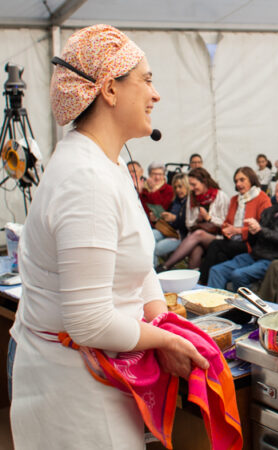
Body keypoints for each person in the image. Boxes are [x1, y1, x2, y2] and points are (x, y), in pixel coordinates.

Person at [10, 24, 209, 448]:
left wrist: (160, 320)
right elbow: (88, 321)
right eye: (147, 80)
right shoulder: (87, 181)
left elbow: (138, 268)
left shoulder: (107, 164)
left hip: (97, 374)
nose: (156, 95)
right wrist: (167, 338)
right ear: (110, 91)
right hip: (73, 397)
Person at [208, 179, 278, 291]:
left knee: (238, 275)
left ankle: (245, 307)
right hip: (255, 255)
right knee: (216, 270)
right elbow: (254, 240)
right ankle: (214, 304)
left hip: (274, 259)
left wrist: (260, 230)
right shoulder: (269, 211)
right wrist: (252, 232)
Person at [197, 167, 271, 284]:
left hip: (250, 243)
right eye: (236, 181)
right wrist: (227, 230)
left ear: (251, 179)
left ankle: (202, 281)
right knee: (220, 256)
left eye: (242, 180)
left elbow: (262, 227)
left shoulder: (262, 198)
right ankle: (213, 288)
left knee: (215, 245)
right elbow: (227, 222)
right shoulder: (234, 199)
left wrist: (239, 231)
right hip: (233, 241)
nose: (239, 184)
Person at [159, 167, 230, 271]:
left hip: (219, 237)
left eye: (194, 184)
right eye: (190, 185)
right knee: (196, 249)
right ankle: (194, 281)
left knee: (198, 234)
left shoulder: (220, 196)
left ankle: (165, 266)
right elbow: (188, 224)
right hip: (198, 238)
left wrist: (208, 218)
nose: (191, 188)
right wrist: (199, 220)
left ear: (204, 182)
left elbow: (226, 224)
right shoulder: (192, 198)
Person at [153, 173, 190, 265]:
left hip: (179, 236)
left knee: (155, 249)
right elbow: (169, 218)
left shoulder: (190, 202)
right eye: (176, 187)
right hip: (168, 230)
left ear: (187, 186)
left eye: (180, 186)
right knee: (148, 237)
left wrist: (175, 218)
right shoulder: (176, 201)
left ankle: (155, 273)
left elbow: (189, 225)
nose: (178, 190)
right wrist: (159, 217)